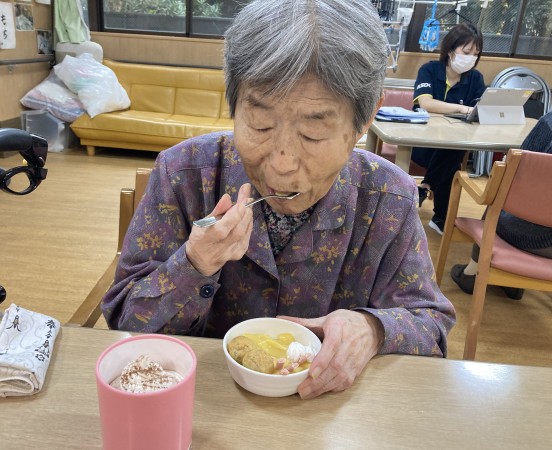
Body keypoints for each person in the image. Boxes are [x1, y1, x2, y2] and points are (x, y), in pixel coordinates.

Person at [102, 0, 456, 400]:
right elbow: (125, 324)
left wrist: (372, 329)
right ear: (234, 103)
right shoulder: (184, 174)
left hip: (328, 413)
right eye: (260, 124)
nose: (282, 164)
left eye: (312, 134)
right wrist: (194, 264)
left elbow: (431, 326)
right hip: (203, 406)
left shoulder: (388, 199)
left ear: (364, 119)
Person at [451, 111, 552, 300]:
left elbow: (517, 176)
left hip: (534, 236)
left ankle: (471, 274)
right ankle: (513, 285)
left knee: (499, 196)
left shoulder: (549, 122)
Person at [412, 23, 486, 235]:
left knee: (452, 149)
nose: (471, 58)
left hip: (452, 146)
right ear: (451, 49)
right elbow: (426, 103)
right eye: (467, 52)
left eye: (476, 54)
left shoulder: (475, 79)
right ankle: (441, 217)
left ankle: (425, 187)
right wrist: (462, 108)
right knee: (452, 156)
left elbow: (480, 110)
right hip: (421, 144)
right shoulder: (429, 70)